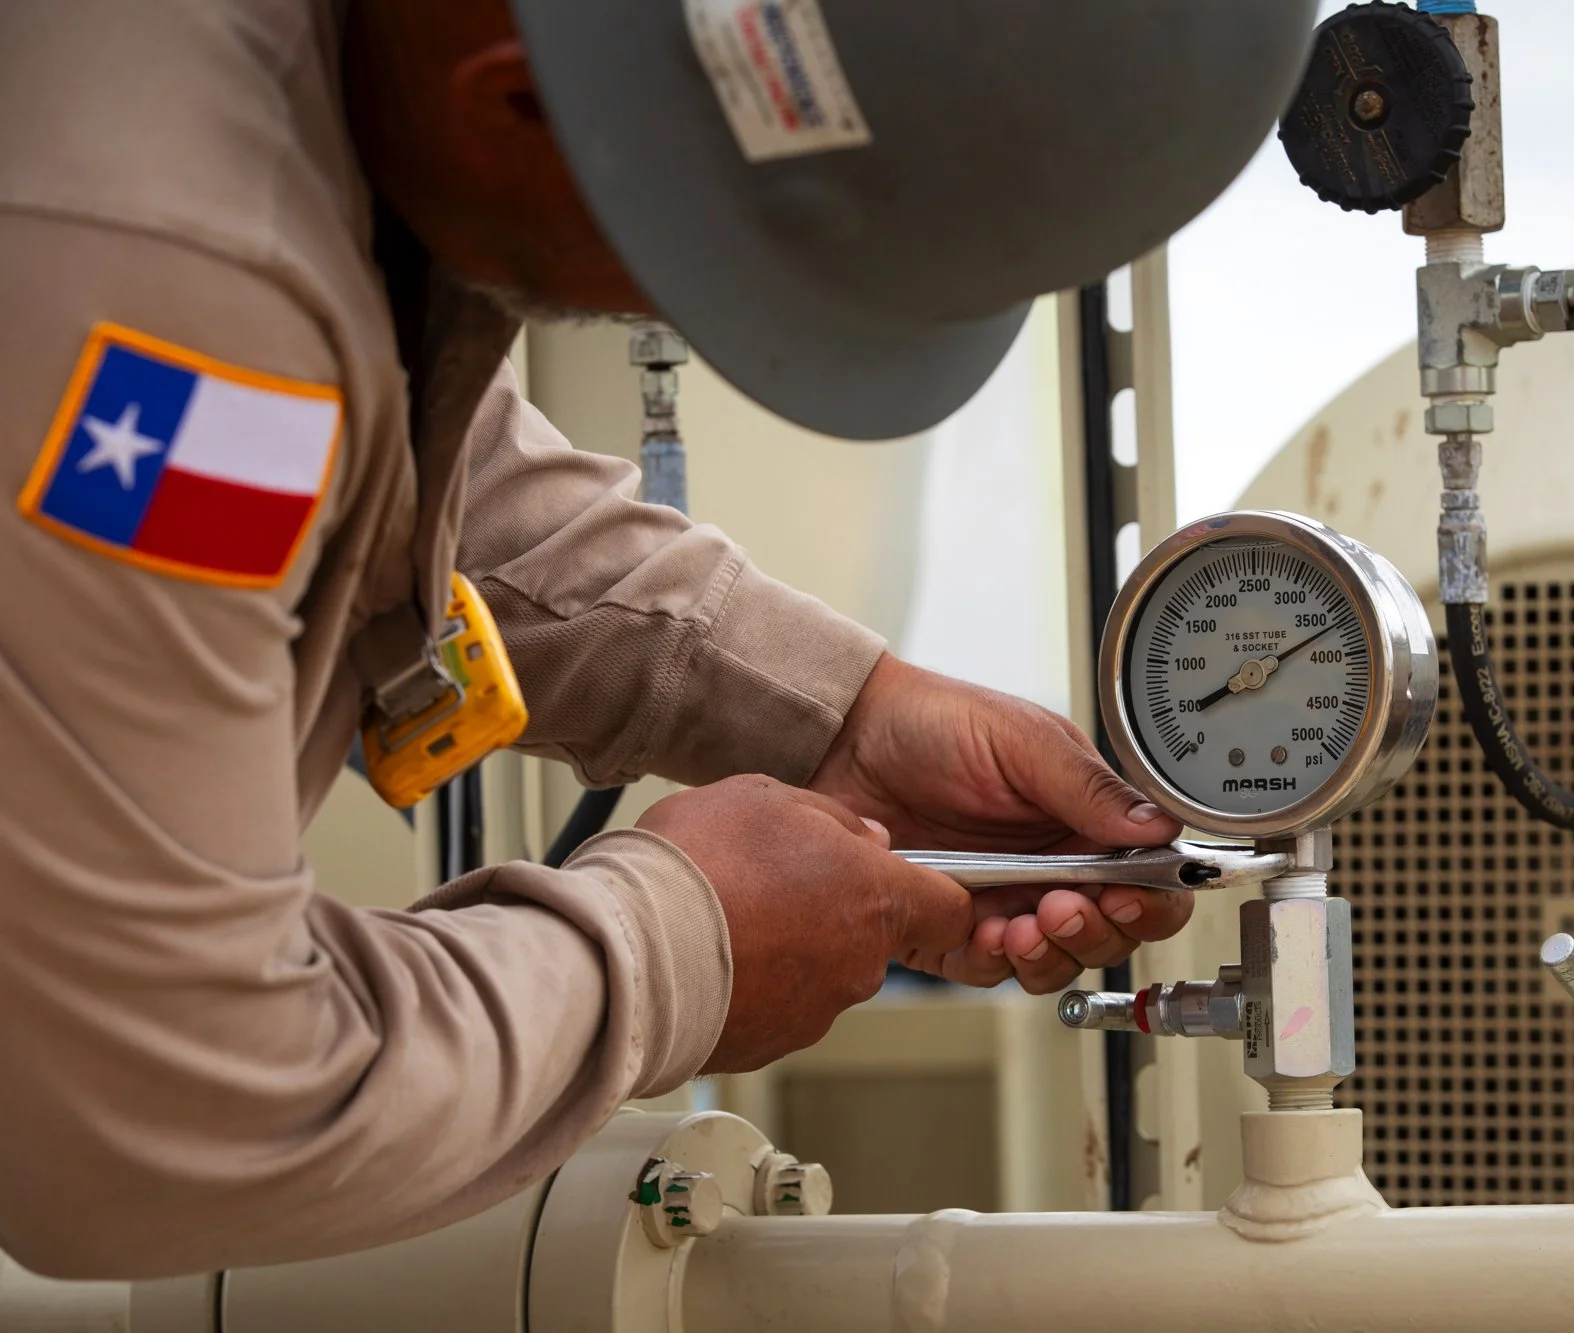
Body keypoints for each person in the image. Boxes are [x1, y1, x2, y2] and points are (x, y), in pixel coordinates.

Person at [0, 0, 1312, 1278]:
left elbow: (399, 458)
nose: (698, 314)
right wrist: (681, 944)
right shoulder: (148, 275)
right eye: (699, 265)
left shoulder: (309, 101)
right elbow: (159, 1127)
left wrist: (840, 715)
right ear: (509, 99)